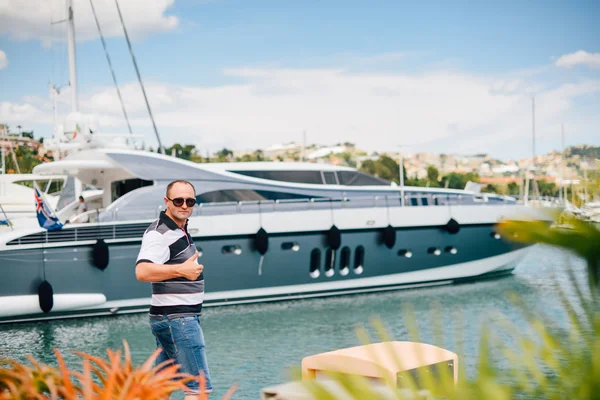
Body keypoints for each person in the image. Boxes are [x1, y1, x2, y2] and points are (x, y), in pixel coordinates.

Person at [135, 180, 212, 398]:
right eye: (178, 200)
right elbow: (142, 271)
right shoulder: (159, 234)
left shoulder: (179, 228)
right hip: (179, 320)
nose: (185, 205)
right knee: (199, 389)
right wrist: (182, 271)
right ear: (167, 202)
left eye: (190, 201)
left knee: (161, 388)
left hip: (170, 319)